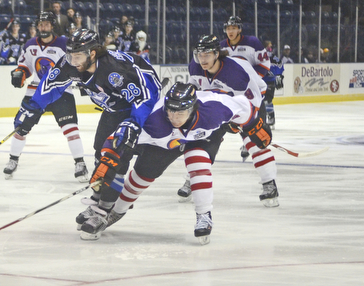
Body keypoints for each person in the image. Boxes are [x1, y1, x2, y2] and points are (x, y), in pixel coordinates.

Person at [80, 82, 271, 243]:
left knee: (199, 164)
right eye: (170, 111)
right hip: (166, 142)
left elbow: (245, 108)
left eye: (180, 113)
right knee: (142, 175)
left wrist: (255, 126)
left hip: (204, 136)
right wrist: (109, 160)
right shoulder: (154, 121)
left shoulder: (215, 109)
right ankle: (117, 211)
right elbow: (119, 137)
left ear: (193, 108)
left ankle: (204, 216)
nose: (174, 117)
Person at [17, 29, 160, 234]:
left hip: (138, 109)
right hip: (113, 108)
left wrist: (135, 124)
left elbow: (146, 97)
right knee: (99, 151)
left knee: (115, 154)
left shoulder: (115, 72)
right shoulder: (73, 63)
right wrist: (33, 109)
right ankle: (98, 197)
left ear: (92, 53)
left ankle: (104, 209)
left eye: (78, 56)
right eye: (70, 55)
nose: (73, 61)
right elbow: (51, 84)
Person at [180, 34, 279, 207]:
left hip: (247, 106)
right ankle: (192, 179)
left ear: (217, 54)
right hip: (218, 109)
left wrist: (246, 123)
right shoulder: (195, 67)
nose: (202, 60)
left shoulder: (236, 71)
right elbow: (195, 87)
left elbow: (257, 95)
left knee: (254, 141)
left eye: (207, 55)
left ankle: (269, 184)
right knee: (198, 141)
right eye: (199, 55)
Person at [5, 11, 88, 182]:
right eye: (40, 24)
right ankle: (13, 160)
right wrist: (20, 73)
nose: (43, 27)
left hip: (60, 91)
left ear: (52, 26)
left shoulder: (64, 44)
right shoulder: (29, 45)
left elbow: (77, 63)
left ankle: (80, 163)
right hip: (35, 91)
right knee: (21, 127)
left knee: (70, 128)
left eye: (46, 24)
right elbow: (25, 65)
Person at [222, 16, 276, 138]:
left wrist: (250, 80)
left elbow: (264, 64)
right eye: (228, 28)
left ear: (239, 29)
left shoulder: (252, 42)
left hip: (252, 90)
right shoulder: (221, 46)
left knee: (256, 118)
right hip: (232, 90)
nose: (230, 31)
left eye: (234, 28)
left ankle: (255, 140)